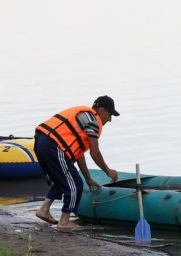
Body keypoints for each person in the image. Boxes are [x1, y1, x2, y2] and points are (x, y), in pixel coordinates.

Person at [34, 95, 120, 230]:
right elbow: (95, 153)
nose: (109, 119)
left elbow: (79, 154)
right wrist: (108, 171)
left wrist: (88, 178)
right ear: (102, 110)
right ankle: (64, 222)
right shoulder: (93, 120)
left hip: (42, 142)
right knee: (75, 184)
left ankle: (44, 209)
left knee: (61, 179)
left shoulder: (84, 117)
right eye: (109, 114)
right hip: (53, 146)